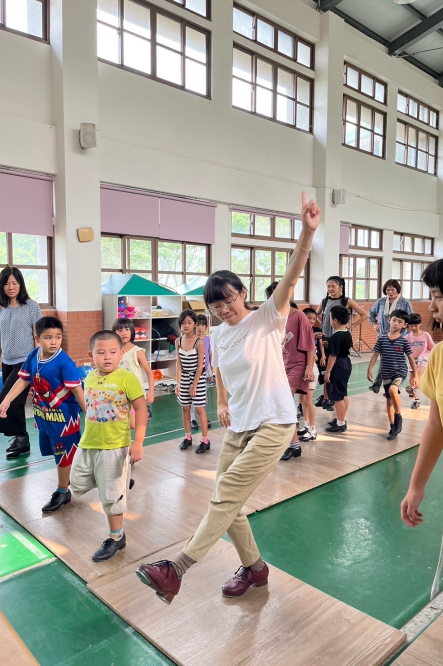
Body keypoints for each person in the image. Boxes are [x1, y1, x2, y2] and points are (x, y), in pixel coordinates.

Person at [135, 192, 320, 605]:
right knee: (228, 500)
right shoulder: (217, 335)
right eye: (215, 305)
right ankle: (255, 568)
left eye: (229, 300)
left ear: (242, 293)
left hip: (274, 421)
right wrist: (221, 402)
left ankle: (176, 569)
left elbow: (291, 275)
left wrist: (307, 234)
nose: (223, 309)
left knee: (226, 494)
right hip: (239, 423)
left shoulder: (266, 318)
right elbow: (220, 370)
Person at [70, 331, 147, 562]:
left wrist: (138, 442)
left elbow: (141, 409)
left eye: (113, 352)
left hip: (114, 447)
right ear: (90, 355)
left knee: (111, 499)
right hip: (88, 442)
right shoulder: (89, 379)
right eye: (101, 352)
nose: (107, 357)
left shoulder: (127, 378)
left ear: (121, 354)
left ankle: (116, 537)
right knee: (77, 482)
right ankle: (118, 481)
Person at [0, 317, 85, 512]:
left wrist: (89, 412)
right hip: (45, 417)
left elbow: (77, 389)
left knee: (63, 456)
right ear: (37, 339)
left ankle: (62, 491)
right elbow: (24, 380)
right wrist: (7, 400)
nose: (54, 342)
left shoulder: (64, 362)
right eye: (48, 338)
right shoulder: (33, 356)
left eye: (58, 337)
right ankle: (81, 477)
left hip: (64, 421)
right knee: (59, 455)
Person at [400, 258, 443, 600]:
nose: (431, 306)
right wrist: (416, 486)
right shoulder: (442, 355)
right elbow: (436, 422)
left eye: (438, 296)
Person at [0, 267, 43, 459]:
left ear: (20, 284)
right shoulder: (1, 308)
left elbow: (38, 337)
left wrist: (38, 363)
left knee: (8, 398)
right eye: (6, 283)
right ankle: (21, 439)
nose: (11, 287)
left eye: (14, 283)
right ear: (1, 286)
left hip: (25, 361)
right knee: (17, 401)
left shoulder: (31, 306)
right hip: (7, 361)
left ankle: (21, 437)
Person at [264, 287, 315, 459]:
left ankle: (292, 445)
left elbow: (310, 345)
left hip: (298, 365)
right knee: (282, 404)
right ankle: (294, 445)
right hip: (281, 366)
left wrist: (309, 367)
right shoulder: (273, 318)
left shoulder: (299, 316)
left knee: (283, 400)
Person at [316, 276, 367, 411]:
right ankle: (326, 397)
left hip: (339, 338)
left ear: (341, 287)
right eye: (328, 286)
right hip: (327, 338)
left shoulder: (346, 301)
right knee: (325, 368)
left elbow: (364, 315)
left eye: (333, 286)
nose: (330, 289)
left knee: (335, 367)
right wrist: (324, 324)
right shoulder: (324, 301)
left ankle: (334, 396)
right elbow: (316, 314)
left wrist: (352, 326)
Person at [367, 310, 418, 440]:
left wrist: (415, 374)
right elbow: (375, 355)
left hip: (400, 372)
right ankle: (392, 427)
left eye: (400, 322)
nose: (396, 323)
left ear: (404, 325)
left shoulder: (403, 341)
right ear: (389, 320)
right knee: (389, 402)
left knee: (393, 389)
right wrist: (369, 369)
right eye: (394, 320)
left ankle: (398, 416)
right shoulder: (382, 339)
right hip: (386, 373)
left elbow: (411, 358)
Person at [368, 280, 413, 394]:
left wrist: (407, 329)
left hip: (399, 337)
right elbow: (370, 313)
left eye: (393, 289)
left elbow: (410, 317)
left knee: (396, 360)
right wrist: (374, 324)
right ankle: (381, 385)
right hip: (383, 336)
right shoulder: (381, 301)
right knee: (385, 359)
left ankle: (389, 384)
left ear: (398, 290)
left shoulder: (405, 302)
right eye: (388, 290)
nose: (390, 292)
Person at [176, 310, 210, 454]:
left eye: (189, 322)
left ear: (194, 324)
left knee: (199, 408)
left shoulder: (199, 342)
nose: (186, 325)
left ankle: (205, 440)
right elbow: (178, 363)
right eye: (183, 323)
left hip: (198, 378)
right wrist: (178, 383)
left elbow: (200, 366)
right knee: (185, 408)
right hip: (184, 377)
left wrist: (194, 385)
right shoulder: (178, 341)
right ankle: (188, 437)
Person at [112, 318, 154, 420]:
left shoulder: (137, 352)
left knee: (136, 424)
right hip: (119, 395)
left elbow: (149, 372)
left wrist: (151, 391)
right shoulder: (113, 352)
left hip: (135, 395)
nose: (123, 333)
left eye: (127, 329)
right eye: (119, 330)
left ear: (132, 331)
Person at [323, 306, 353, 434]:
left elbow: (333, 356)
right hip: (346, 362)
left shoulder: (335, 337)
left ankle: (340, 423)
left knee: (337, 396)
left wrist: (328, 371)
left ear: (335, 320)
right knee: (343, 393)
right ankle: (342, 418)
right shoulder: (347, 333)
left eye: (330, 317)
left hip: (337, 364)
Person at [298, 308, 325, 442]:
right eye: (309, 318)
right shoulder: (302, 332)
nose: (312, 321)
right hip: (301, 371)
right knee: (302, 400)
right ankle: (306, 425)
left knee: (308, 401)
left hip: (310, 371)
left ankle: (313, 430)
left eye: (314, 319)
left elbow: (314, 357)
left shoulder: (309, 335)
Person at [406, 313, 435, 410]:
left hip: (423, 359)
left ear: (420, 324)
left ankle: (412, 390)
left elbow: (433, 347)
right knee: (411, 380)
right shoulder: (408, 337)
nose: (413, 328)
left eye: (416, 325)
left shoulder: (426, 335)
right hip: (411, 361)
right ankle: (416, 399)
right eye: (411, 326)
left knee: (416, 377)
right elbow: (402, 348)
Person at [191, 314, 213, 431]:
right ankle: (192, 418)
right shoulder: (192, 339)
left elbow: (209, 356)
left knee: (204, 397)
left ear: (206, 327)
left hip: (204, 371)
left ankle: (203, 417)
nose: (200, 327)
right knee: (193, 397)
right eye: (198, 325)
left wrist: (210, 372)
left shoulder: (208, 339)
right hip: (193, 372)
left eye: (202, 325)